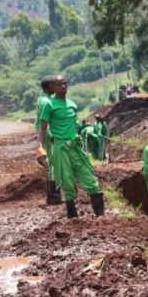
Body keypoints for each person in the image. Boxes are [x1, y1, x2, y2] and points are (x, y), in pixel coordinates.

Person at [37, 77, 105, 218]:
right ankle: (73, 218)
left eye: (65, 84)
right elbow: (43, 129)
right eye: (59, 84)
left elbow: (74, 124)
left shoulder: (72, 105)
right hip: (61, 148)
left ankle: (102, 217)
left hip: (76, 147)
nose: (63, 86)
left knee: (91, 179)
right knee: (67, 182)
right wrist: (40, 150)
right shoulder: (49, 105)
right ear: (52, 88)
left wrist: (82, 127)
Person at [34, 76, 63, 204]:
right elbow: (45, 122)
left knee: (52, 162)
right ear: (49, 87)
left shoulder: (41, 98)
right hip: (48, 132)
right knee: (54, 163)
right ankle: (54, 196)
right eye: (54, 85)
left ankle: (53, 195)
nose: (56, 87)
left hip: (44, 131)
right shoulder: (47, 102)